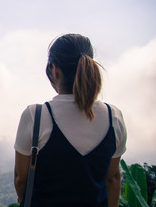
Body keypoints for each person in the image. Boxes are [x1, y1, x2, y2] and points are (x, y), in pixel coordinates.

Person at [14, 34, 127, 207]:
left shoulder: (35, 115)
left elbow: (21, 179)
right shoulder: (114, 117)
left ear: (54, 70)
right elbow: (112, 178)